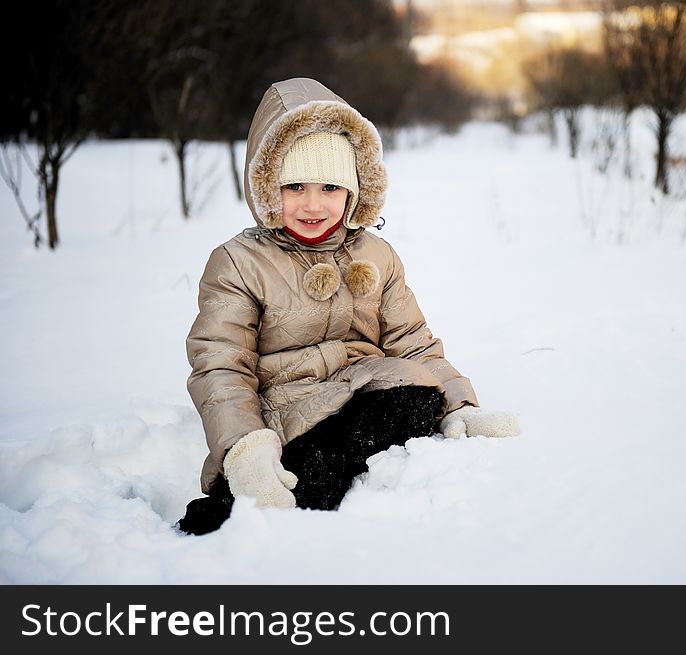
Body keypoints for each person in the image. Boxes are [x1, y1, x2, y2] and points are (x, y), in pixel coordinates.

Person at [177, 78, 519, 535]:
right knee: (312, 452)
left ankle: (311, 478)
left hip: (362, 399)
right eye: (294, 186)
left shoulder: (376, 255)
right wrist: (245, 445)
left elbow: (412, 343)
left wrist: (458, 406)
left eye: (330, 188)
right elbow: (220, 366)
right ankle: (259, 494)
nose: (313, 205)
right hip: (289, 411)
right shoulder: (238, 263)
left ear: (355, 191)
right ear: (266, 186)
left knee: (417, 393)